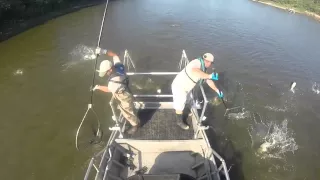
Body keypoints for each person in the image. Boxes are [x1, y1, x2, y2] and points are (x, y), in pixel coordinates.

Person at [92, 48, 140, 135]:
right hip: (126, 88)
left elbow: (108, 89)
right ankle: (132, 115)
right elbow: (115, 55)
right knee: (129, 107)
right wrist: (103, 51)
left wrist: (98, 87)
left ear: (110, 70)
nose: (105, 74)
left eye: (105, 72)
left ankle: (135, 125)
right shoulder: (119, 66)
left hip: (123, 95)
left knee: (128, 112)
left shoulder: (113, 82)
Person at [171, 52, 224, 130]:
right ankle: (179, 121)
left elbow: (208, 80)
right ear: (207, 61)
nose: (211, 65)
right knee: (180, 103)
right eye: (211, 63)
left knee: (188, 100)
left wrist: (217, 90)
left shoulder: (203, 68)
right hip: (179, 86)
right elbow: (195, 71)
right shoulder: (196, 62)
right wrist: (210, 75)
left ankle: (185, 111)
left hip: (187, 87)